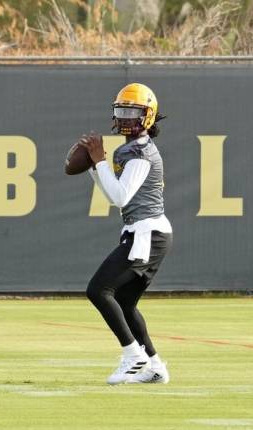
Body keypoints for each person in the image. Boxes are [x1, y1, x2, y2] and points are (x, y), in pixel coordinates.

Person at [81, 83, 173, 385]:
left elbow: (120, 196)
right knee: (124, 300)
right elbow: (114, 195)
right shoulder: (132, 149)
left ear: (148, 117)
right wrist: (97, 168)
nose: (125, 119)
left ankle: (133, 355)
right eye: (121, 111)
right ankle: (155, 365)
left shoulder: (140, 151)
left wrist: (99, 162)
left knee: (98, 290)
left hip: (147, 233)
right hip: (147, 232)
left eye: (132, 113)